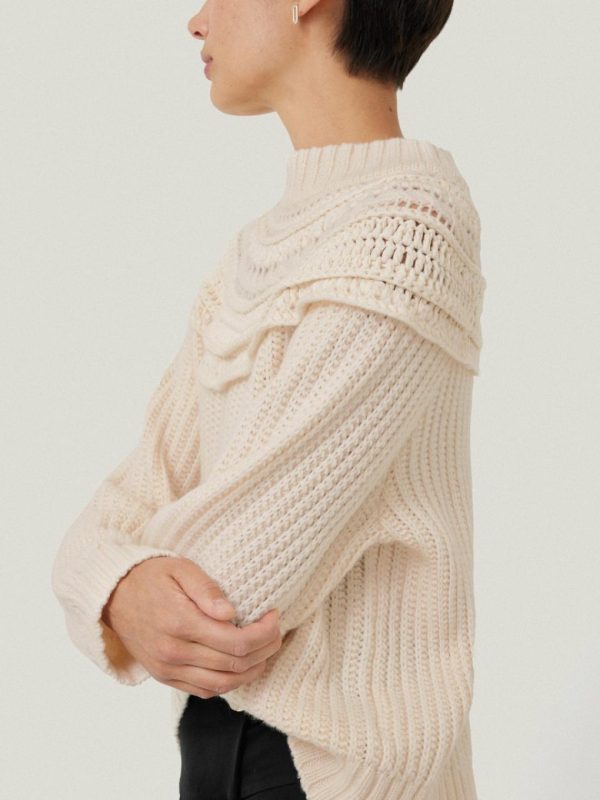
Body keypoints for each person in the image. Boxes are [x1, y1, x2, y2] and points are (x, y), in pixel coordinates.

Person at [51, 1, 486, 798]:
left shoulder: (410, 232)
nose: (196, 21)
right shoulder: (253, 255)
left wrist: (112, 579)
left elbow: (229, 590)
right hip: (216, 749)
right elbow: (123, 501)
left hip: (341, 776)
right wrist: (117, 582)